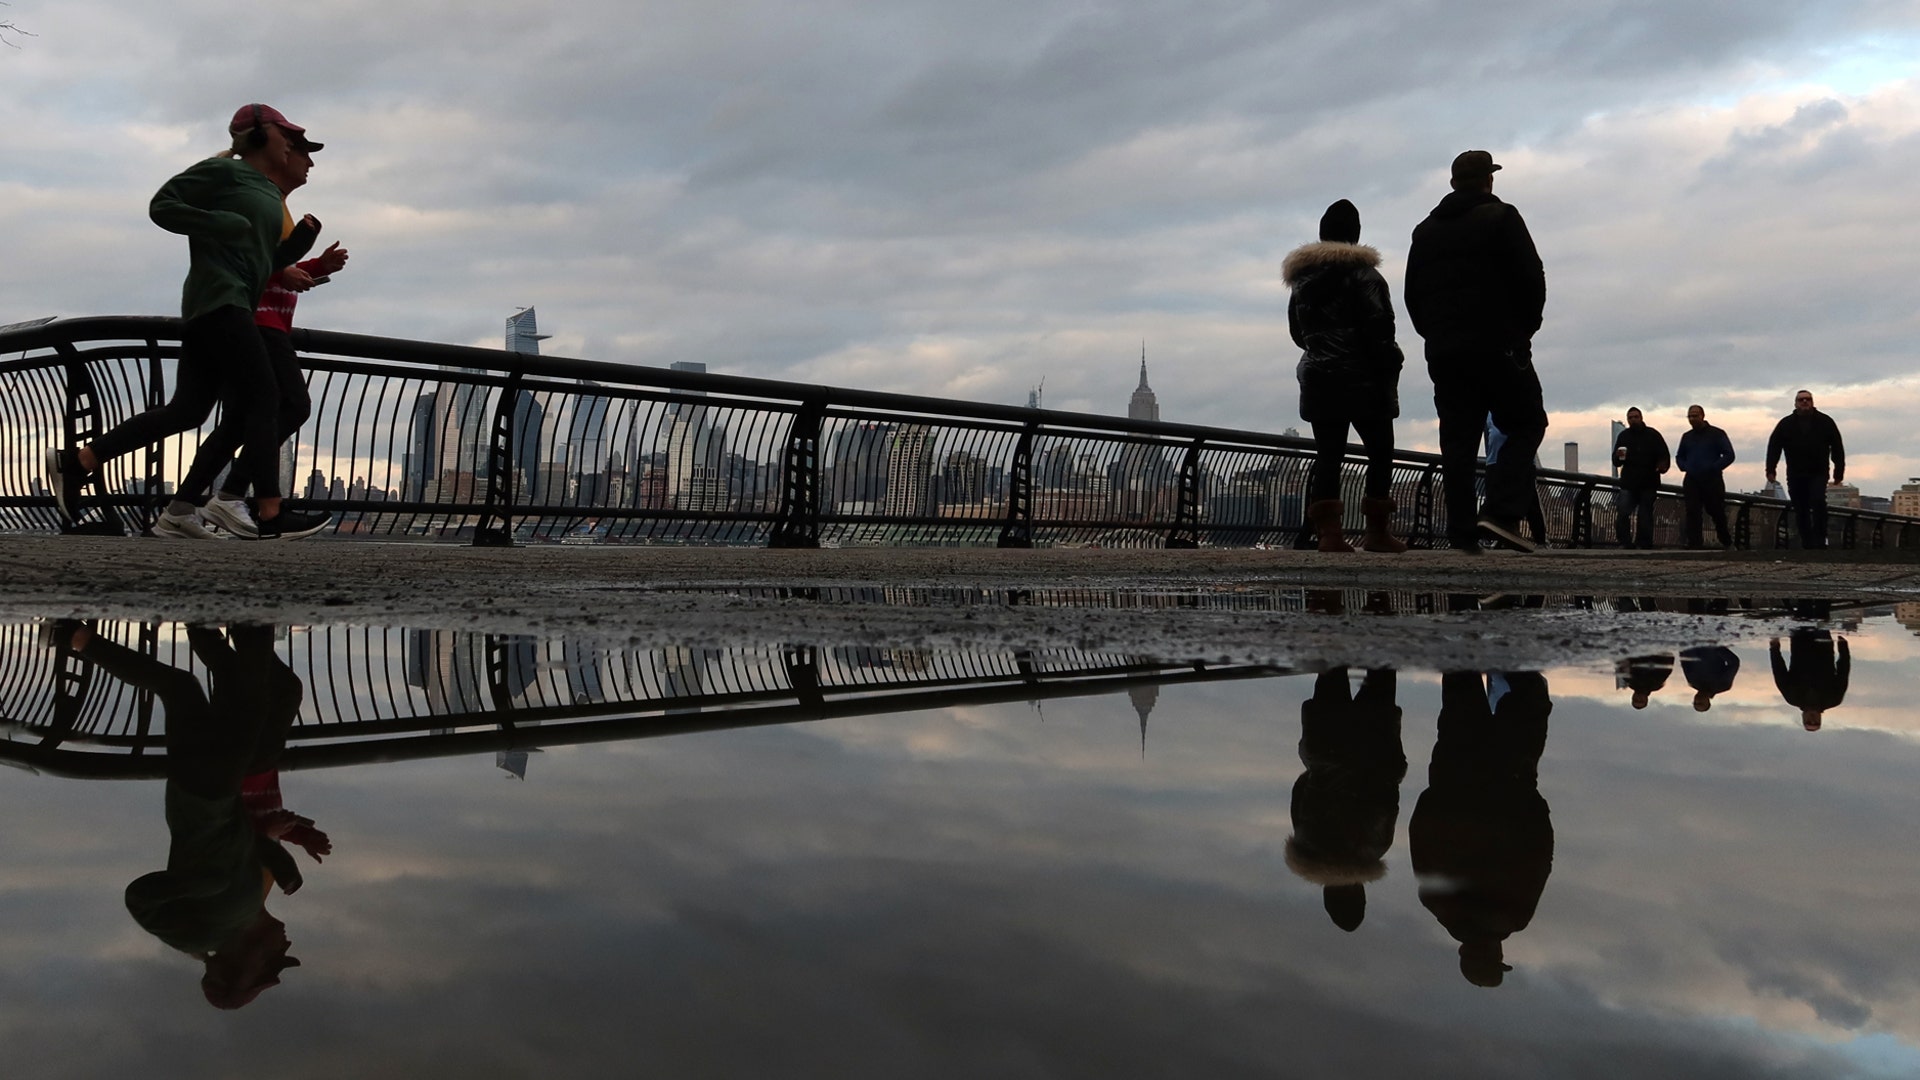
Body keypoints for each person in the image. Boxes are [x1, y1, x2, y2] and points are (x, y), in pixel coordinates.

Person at [46, 104, 331, 542]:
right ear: (256, 136)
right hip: (220, 303)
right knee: (265, 397)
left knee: (188, 411)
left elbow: (258, 260)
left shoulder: (266, 193)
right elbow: (163, 205)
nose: (292, 144)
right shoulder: (225, 173)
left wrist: (299, 244)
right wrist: (219, 222)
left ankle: (80, 461)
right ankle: (267, 512)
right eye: (285, 135)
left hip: (223, 303)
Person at [44, 620, 325, 1008]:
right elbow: (248, 849)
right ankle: (77, 639)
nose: (285, 946)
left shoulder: (196, 936)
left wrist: (196, 884)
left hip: (205, 800)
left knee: (252, 702)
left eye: (274, 959)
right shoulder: (242, 909)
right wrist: (286, 864)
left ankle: (252, 614)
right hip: (204, 796)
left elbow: (139, 899)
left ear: (243, 963)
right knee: (181, 689)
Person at [193, 143, 349, 539]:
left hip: (266, 322)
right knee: (291, 404)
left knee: (237, 422)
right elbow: (247, 260)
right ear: (280, 158)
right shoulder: (259, 202)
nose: (310, 162)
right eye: (303, 154)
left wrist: (315, 267)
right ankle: (237, 499)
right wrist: (286, 271)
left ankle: (184, 506)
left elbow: (274, 260)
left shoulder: (277, 206)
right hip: (257, 322)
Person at [1405, 150, 1548, 553]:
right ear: (1489, 180)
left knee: (1458, 440)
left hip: (1446, 352)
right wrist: (1524, 331)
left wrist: (1435, 335)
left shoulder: (1424, 231)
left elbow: (1412, 295)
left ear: (1453, 183)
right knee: (1526, 422)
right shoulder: (1503, 217)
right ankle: (1501, 513)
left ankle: (1462, 531)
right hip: (1498, 345)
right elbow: (1531, 277)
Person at [1409, 671, 1554, 987]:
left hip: (1511, 776)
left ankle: (1509, 637)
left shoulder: (1516, 912)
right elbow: (1421, 833)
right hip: (1454, 773)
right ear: (1464, 952)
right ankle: (1461, 628)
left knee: (1527, 696)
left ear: (1496, 954)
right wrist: (1435, 793)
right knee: (1461, 685)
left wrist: (1532, 801)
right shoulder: (1437, 902)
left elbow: (1539, 853)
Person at [1283, 199, 1407, 553]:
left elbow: (1297, 335)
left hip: (1320, 376)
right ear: (1356, 236)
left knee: (1329, 455)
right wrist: (1392, 361)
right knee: (1380, 452)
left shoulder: (1302, 283)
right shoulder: (1367, 276)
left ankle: (1329, 536)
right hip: (1365, 377)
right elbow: (1380, 329)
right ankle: (1378, 534)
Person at [1285, 668, 1406, 931]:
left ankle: (1389, 630)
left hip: (1377, 748)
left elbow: (1389, 799)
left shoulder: (1376, 848)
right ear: (1327, 894)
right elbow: (1299, 789)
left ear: (1360, 894)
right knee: (1332, 666)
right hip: (1325, 744)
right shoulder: (1306, 846)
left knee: (1382, 670)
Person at [1765, 390, 1845, 550]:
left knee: (1817, 501)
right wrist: (1771, 470)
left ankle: (1820, 539)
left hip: (1818, 471)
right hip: (1795, 472)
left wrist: (1838, 472)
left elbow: (1837, 447)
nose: (1805, 402)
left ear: (1813, 402)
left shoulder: (1825, 422)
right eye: (1801, 400)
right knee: (1800, 507)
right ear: (1795, 403)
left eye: (1808, 399)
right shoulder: (1785, 424)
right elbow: (1774, 447)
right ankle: (1807, 541)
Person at [1675, 404, 1735, 549]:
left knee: (1716, 511)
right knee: (1692, 512)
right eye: (1689, 416)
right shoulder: (1687, 437)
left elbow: (1729, 455)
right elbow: (1679, 456)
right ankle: (1694, 544)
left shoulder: (1717, 434)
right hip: (1692, 480)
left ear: (1703, 415)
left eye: (1695, 415)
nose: (1692, 419)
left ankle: (1726, 542)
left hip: (1712, 479)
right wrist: (1684, 466)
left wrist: (1714, 467)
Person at [1611, 407, 1670, 549]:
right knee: (1623, 513)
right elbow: (1616, 461)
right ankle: (1625, 542)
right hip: (1629, 483)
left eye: (1635, 417)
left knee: (1644, 514)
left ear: (1641, 417)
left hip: (1648, 482)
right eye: (1630, 418)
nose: (1633, 420)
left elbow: (1664, 456)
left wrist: (1662, 466)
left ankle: (1642, 543)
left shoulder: (1653, 435)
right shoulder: (1624, 437)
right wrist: (1618, 457)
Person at [1771, 628, 1849, 731]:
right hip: (1823, 646)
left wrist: (1774, 647)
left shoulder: (1792, 697)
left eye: (1808, 722)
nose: (1812, 719)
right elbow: (1843, 671)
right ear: (1820, 719)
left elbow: (1779, 671)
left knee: (1799, 617)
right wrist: (1843, 647)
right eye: (1816, 722)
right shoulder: (1834, 699)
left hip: (1799, 645)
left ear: (1803, 718)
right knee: (1820, 618)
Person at [1680, 645, 1740, 712]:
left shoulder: (1692, 682)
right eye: (1700, 703)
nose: (1697, 700)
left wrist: (1682, 646)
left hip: (1692, 643)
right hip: (1711, 643)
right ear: (1708, 702)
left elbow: (1684, 662)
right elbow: (1734, 663)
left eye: (1694, 702)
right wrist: (1718, 648)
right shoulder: (1722, 685)